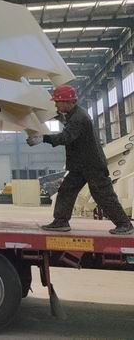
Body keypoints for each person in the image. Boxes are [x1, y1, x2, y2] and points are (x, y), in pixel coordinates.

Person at [27, 84, 134, 235]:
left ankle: (124, 224)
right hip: (80, 165)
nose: (56, 105)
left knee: (103, 194)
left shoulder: (79, 117)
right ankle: (61, 221)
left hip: (91, 165)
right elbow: (64, 121)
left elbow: (66, 137)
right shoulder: (73, 114)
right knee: (66, 190)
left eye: (57, 102)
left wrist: (43, 138)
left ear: (68, 102)